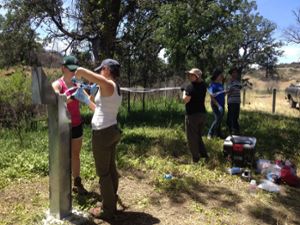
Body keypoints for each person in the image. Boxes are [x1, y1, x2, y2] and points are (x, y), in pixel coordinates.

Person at [74, 58, 122, 220]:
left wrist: (79, 71)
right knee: (110, 169)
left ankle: (107, 210)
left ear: (107, 69)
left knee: (104, 174)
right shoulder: (111, 88)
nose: (100, 72)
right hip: (110, 129)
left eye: (102, 69)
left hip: (102, 133)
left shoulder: (109, 84)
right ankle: (111, 202)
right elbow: (99, 109)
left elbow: (91, 76)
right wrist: (87, 99)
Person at [52, 55, 88, 195]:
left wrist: (94, 91)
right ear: (63, 68)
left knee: (76, 154)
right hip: (62, 126)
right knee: (63, 156)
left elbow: (88, 100)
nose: (73, 72)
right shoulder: (57, 84)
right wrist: (72, 97)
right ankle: (62, 186)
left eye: (75, 70)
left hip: (77, 124)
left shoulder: (77, 84)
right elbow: (57, 102)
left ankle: (77, 183)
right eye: (71, 69)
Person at [182, 68, 209, 163]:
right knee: (197, 136)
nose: (189, 76)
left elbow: (185, 100)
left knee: (191, 138)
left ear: (197, 77)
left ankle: (195, 159)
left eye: (191, 75)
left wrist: (184, 91)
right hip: (202, 114)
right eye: (189, 75)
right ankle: (204, 155)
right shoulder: (203, 85)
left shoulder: (190, 87)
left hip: (193, 116)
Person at [207, 68, 226, 139]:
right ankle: (210, 133)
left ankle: (218, 134)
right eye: (220, 75)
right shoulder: (212, 85)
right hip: (215, 105)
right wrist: (218, 106)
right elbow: (212, 97)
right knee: (217, 119)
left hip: (222, 105)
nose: (222, 76)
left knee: (220, 120)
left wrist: (226, 93)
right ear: (217, 75)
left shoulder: (220, 85)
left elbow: (222, 95)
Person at [226, 67, 242, 135]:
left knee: (236, 116)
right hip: (231, 101)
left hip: (237, 101)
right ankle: (230, 130)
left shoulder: (238, 82)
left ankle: (236, 130)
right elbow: (226, 92)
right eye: (234, 72)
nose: (235, 74)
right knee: (231, 116)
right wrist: (230, 91)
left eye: (236, 73)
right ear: (231, 74)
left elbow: (240, 89)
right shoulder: (229, 82)